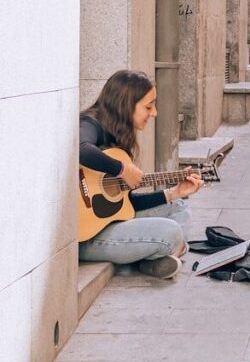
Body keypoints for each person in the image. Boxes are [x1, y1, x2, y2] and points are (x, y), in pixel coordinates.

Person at [79, 70, 203, 278]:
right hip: (87, 238)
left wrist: (173, 192)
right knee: (170, 232)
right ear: (126, 105)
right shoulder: (91, 124)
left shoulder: (117, 134)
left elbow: (122, 207)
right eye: (148, 106)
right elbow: (80, 147)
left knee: (179, 206)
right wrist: (122, 169)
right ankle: (159, 253)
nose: (154, 113)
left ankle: (155, 258)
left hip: (107, 223)